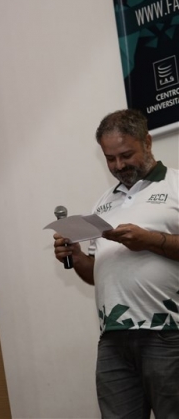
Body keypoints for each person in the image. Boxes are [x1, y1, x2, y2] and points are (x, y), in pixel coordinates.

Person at [52, 109, 179, 418]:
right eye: (110, 159)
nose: (119, 166)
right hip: (113, 337)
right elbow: (97, 273)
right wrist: (77, 257)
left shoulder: (175, 185)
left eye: (126, 155)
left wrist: (149, 240)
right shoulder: (103, 203)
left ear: (147, 142)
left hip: (169, 334)